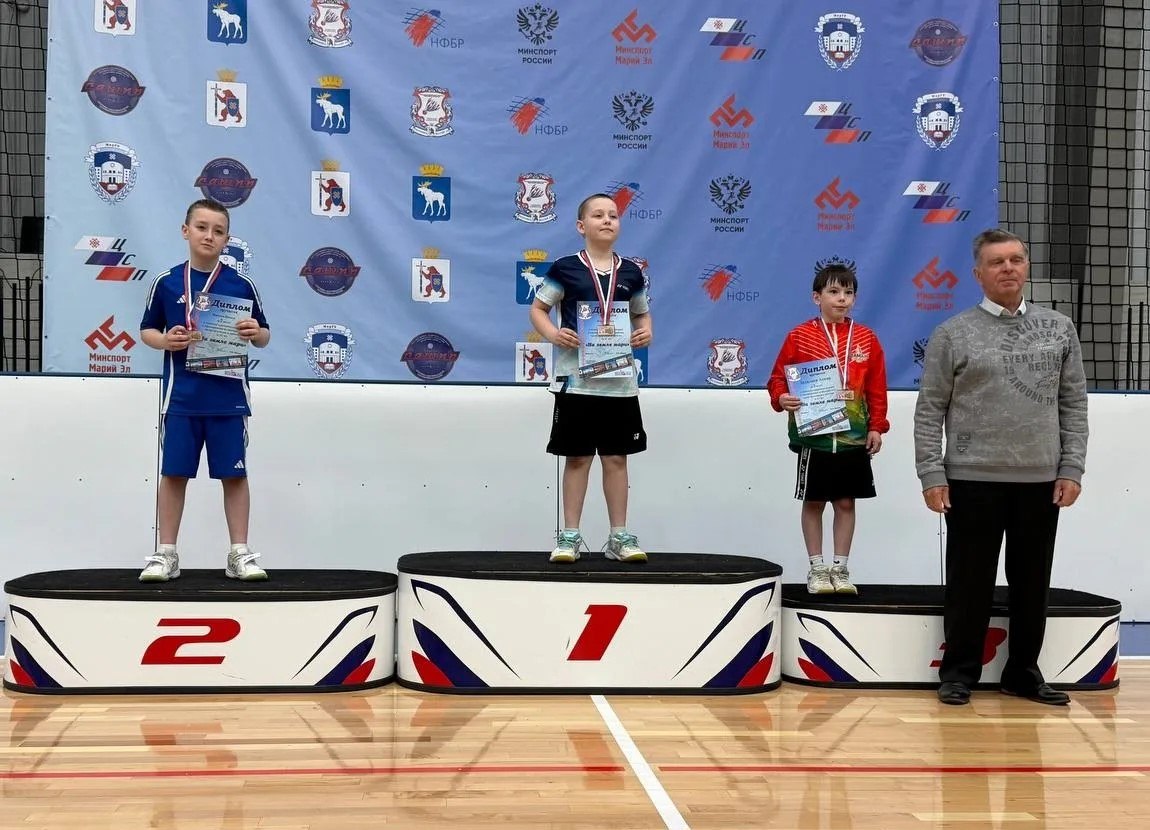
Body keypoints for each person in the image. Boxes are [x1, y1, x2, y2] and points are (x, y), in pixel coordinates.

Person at [914, 228, 1089, 706]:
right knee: (968, 584)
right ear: (978, 274)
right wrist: (931, 473)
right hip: (970, 479)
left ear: (1026, 266)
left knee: (1032, 584)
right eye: (997, 262)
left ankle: (1023, 674)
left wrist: (1071, 467)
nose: (1008, 268)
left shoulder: (1060, 328)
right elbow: (930, 409)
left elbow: (1074, 403)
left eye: (1015, 259)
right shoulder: (953, 333)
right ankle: (958, 674)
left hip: (1042, 480)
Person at [137, 198, 272, 582]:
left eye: (218, 231)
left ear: (227, 239)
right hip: (181, 398)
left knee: (235, 476)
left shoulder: (241, 284)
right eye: (201, 227)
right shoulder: (166, 282)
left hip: (228, 399)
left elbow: (264, 335)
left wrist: (254, 332)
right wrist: (166, 341)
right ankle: (166, 553)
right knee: (174, 474)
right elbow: (147, 330)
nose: (209, 236)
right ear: (186, 231)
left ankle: (239, 553)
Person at [529, 193, 652, 563]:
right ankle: (569, 536)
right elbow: (538, 309)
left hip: (619, 384)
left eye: (613, 215)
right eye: (598, 215)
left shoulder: (631, 272)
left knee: (617, 459)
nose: (607, 220)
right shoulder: (565, 268)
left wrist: (646, 331)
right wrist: (553, 335)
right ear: (581, 226)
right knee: (578, 459)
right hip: (577, 382)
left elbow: (641, 314)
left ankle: (619, 536)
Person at [767, 261, 889, 595]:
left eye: (848, 293)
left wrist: (877, 426)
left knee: (846, 502)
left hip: (853, 438)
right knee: (814, 501)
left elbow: (877, 387)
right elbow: (778, 378)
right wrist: (782, 398)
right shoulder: (799, 336)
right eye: (834, 292)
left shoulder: (866, 338)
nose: (842, 299)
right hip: (815, 439)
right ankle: (817, 568)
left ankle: (840, 568)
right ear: (816, 297)